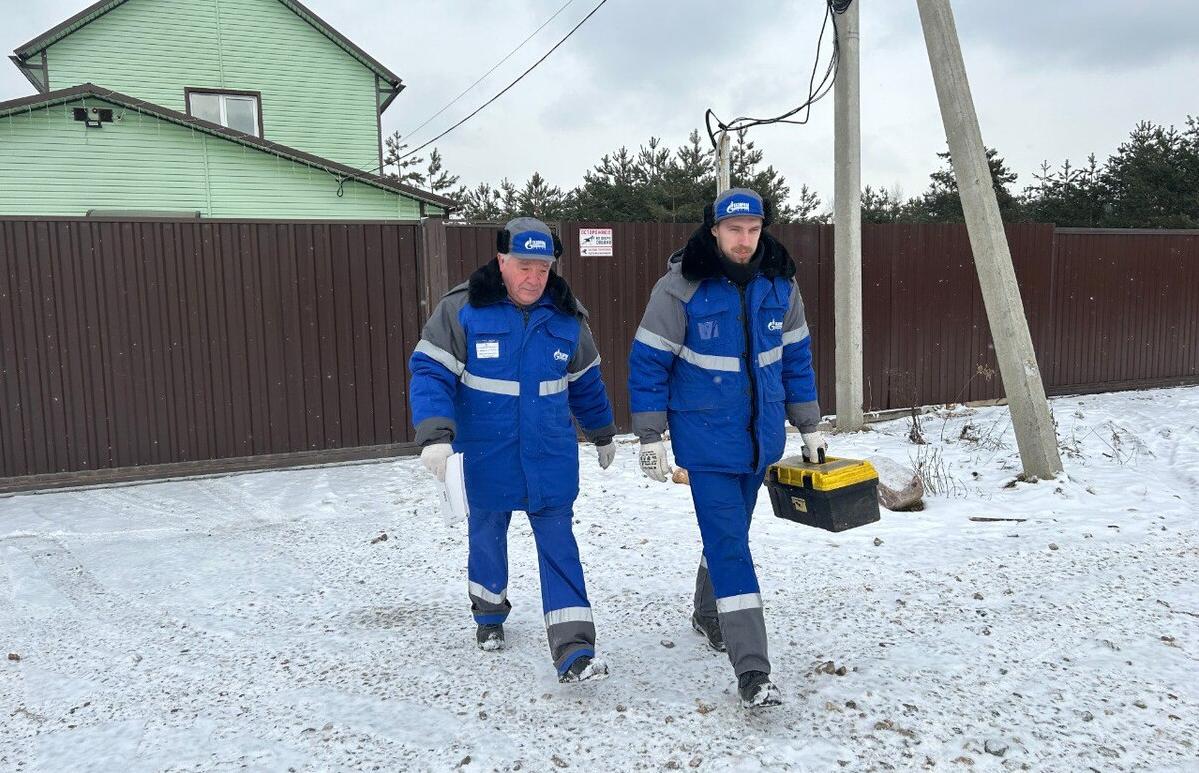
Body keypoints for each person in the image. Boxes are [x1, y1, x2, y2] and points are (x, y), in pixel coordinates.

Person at [627, 188, 826, 708]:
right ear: (714, 230)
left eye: (753, 229)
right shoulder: (680, 288)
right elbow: (649, 363)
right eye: (734, 229)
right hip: (707, 443)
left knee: (728, 535)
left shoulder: (781, 284)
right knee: (733, 549)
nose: (744, 240)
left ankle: (707, 613)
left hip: (760, 444)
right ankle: (754, 671)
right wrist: (649, 437)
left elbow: (796, 361)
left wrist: (808, 426)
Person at [409, 216, 617, 683]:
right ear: (501, 261)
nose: (534, 278)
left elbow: (586, 383)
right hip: (486, 456)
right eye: (524, 266)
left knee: (560, 546)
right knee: (487, 538)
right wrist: (434, 435)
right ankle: (488, 613)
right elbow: (429, 372)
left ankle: (574, 650)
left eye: (543, 268)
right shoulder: (463, 310)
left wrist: (602, 431)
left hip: (549, 457)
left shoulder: (567, 318)